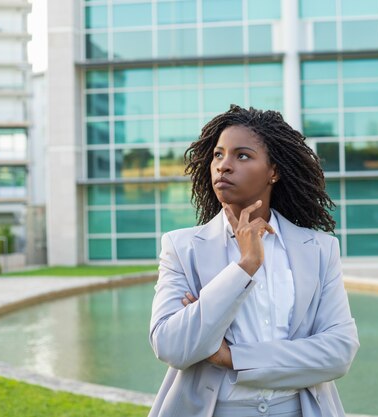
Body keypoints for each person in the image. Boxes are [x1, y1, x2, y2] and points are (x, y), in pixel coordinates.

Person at [148, 104, 360, 417]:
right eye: (218, 155)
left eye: (242, 155)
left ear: (273, 171)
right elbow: (171, 346)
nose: (224, 166)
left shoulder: (318, 249)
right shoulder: (181, 248)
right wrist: (244, 267)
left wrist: (232, 357)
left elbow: (338, 352)